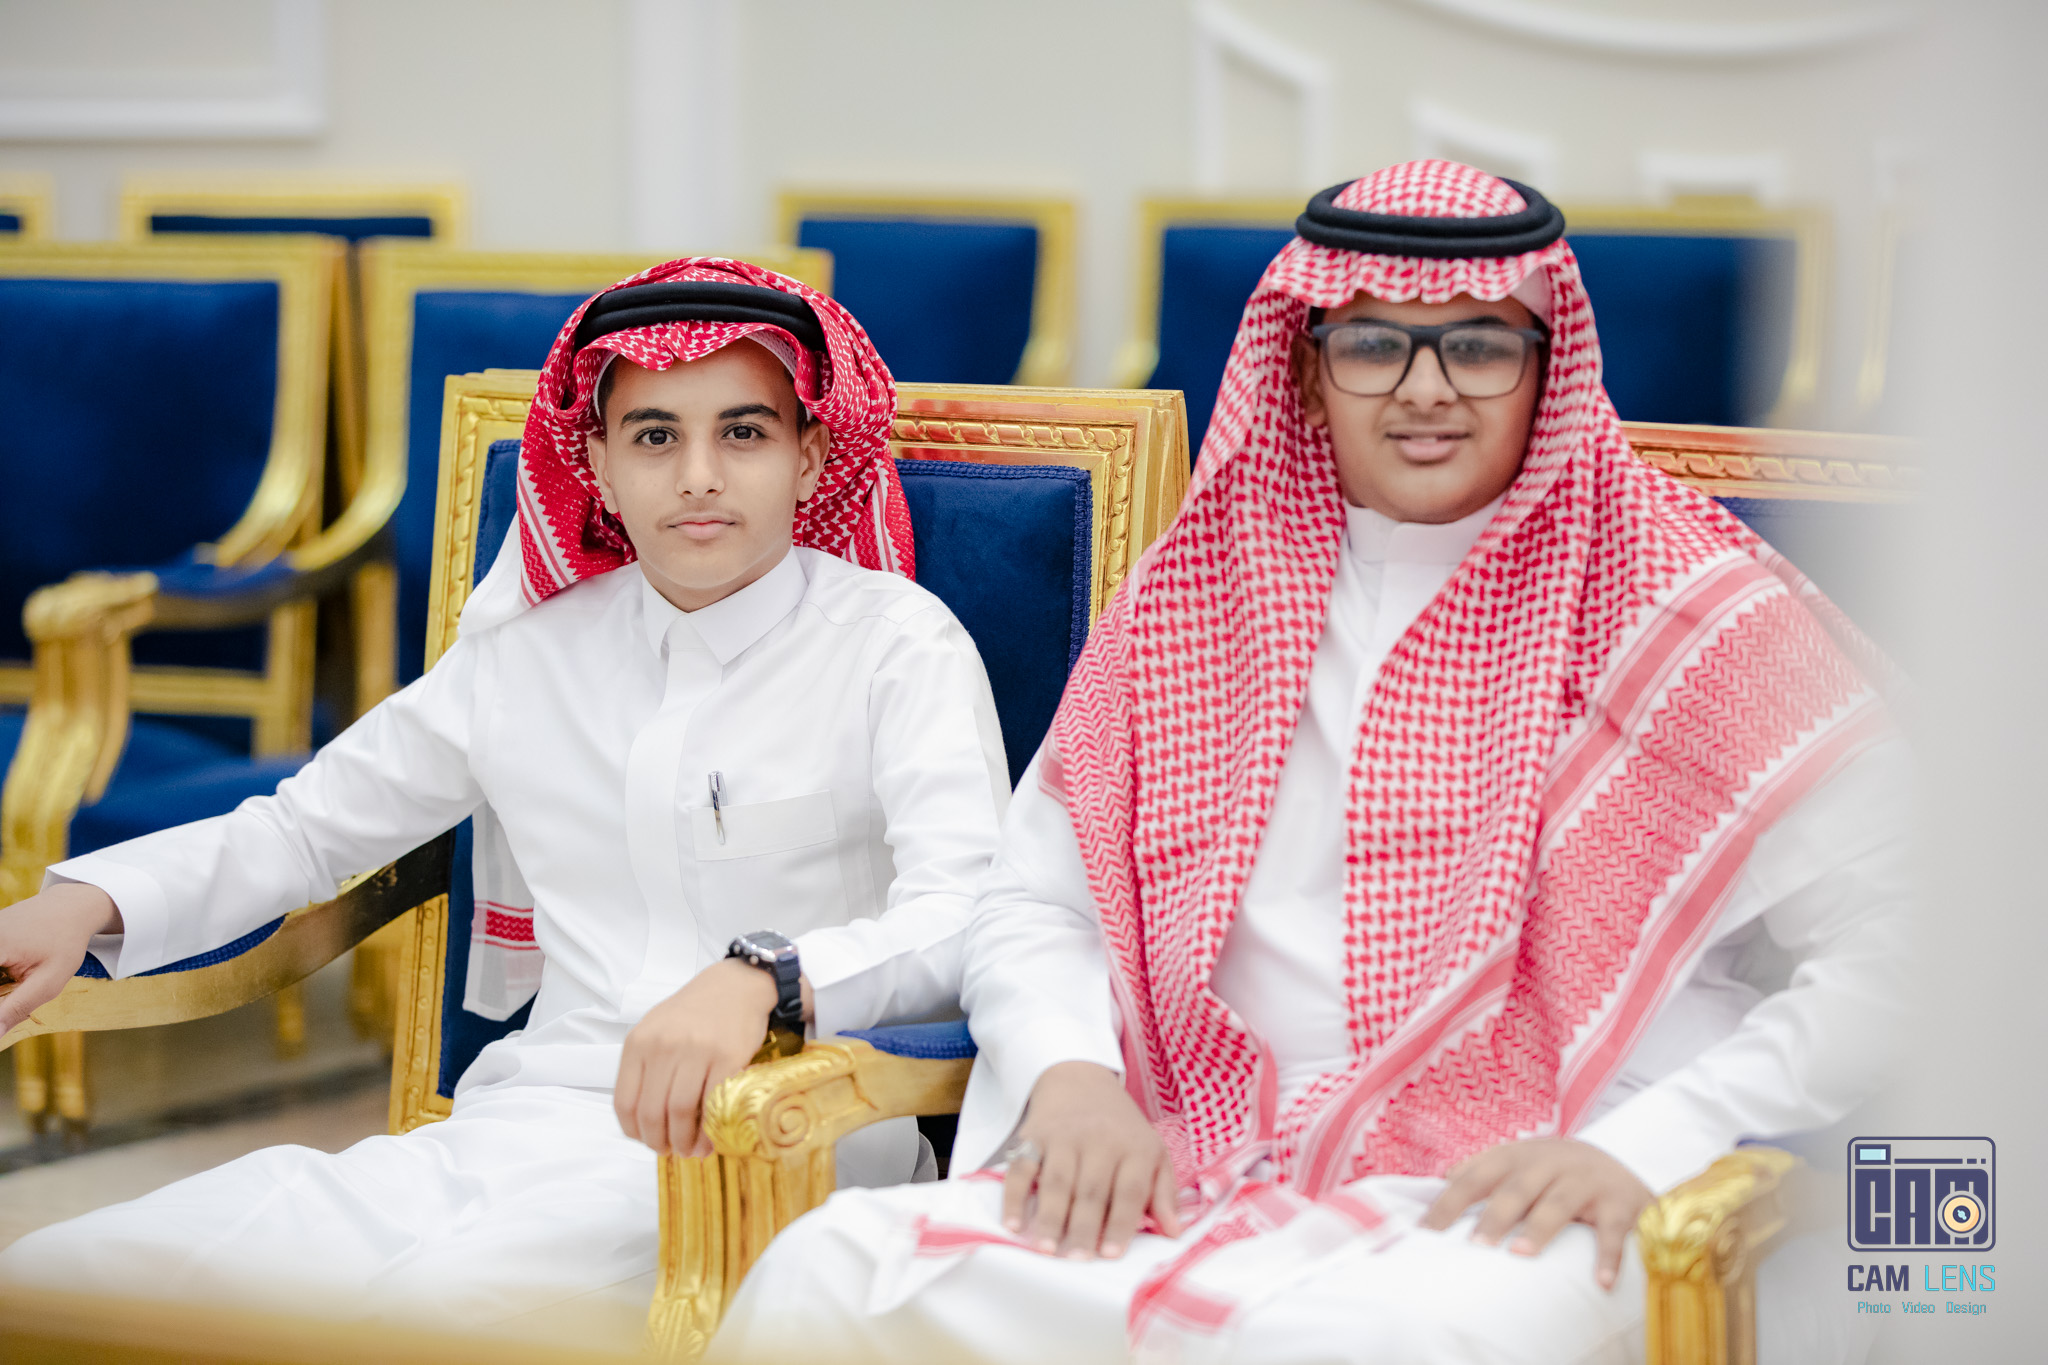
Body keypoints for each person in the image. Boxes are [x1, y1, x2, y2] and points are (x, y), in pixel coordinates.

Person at [706, 162, 1911, 1365]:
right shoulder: (1196, 595)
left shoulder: (1687, 613)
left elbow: (1912, 948)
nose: (1425, 389)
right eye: (1374, 345)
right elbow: (1039, 901)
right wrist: (1070, 1080)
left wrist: (1653, 1143)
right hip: (1187, 1157)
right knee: (826, 1275)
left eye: (1478, 347)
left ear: (1545, 369)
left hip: (1514, 1192)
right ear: (1305, 369)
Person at [0, 259, 1010, 1333]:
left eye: (744, 433)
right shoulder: (527, 654)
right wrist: (85, 906)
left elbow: (967, 916)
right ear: (598, 463)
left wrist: (772, 982)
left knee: (408, 1324)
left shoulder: (895, 646)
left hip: (782, 1142)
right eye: (655, 436)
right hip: (523, 1123)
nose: (699, 475)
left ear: (809, 456)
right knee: (74, 1276)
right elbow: (302, 829)